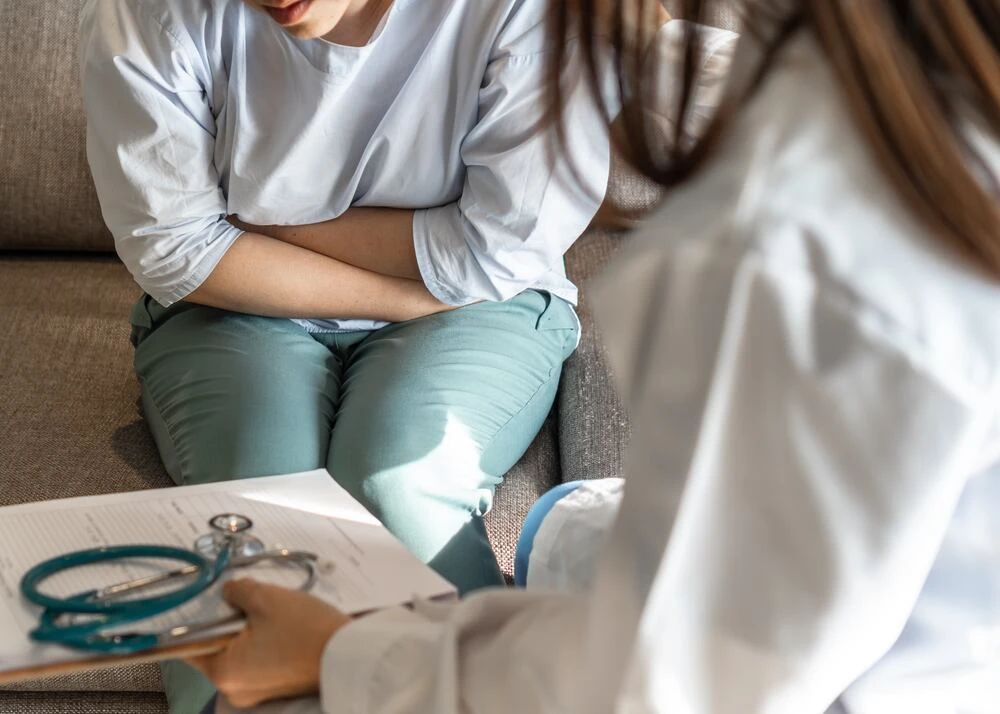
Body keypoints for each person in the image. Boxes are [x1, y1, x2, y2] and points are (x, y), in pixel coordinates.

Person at [184, 0, 1000, 712]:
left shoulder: (788, 237)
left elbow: (669, 683)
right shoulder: (928, 111)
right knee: (560, 530)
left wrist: (341, 655)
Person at [79, 0, 611, 711]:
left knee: (400, 478)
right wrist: (406, 297)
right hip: (237, 301)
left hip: (478, 308)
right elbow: (176, 248)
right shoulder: (146, 13)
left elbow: (495, 251)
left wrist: (261, 223)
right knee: (259, 492)